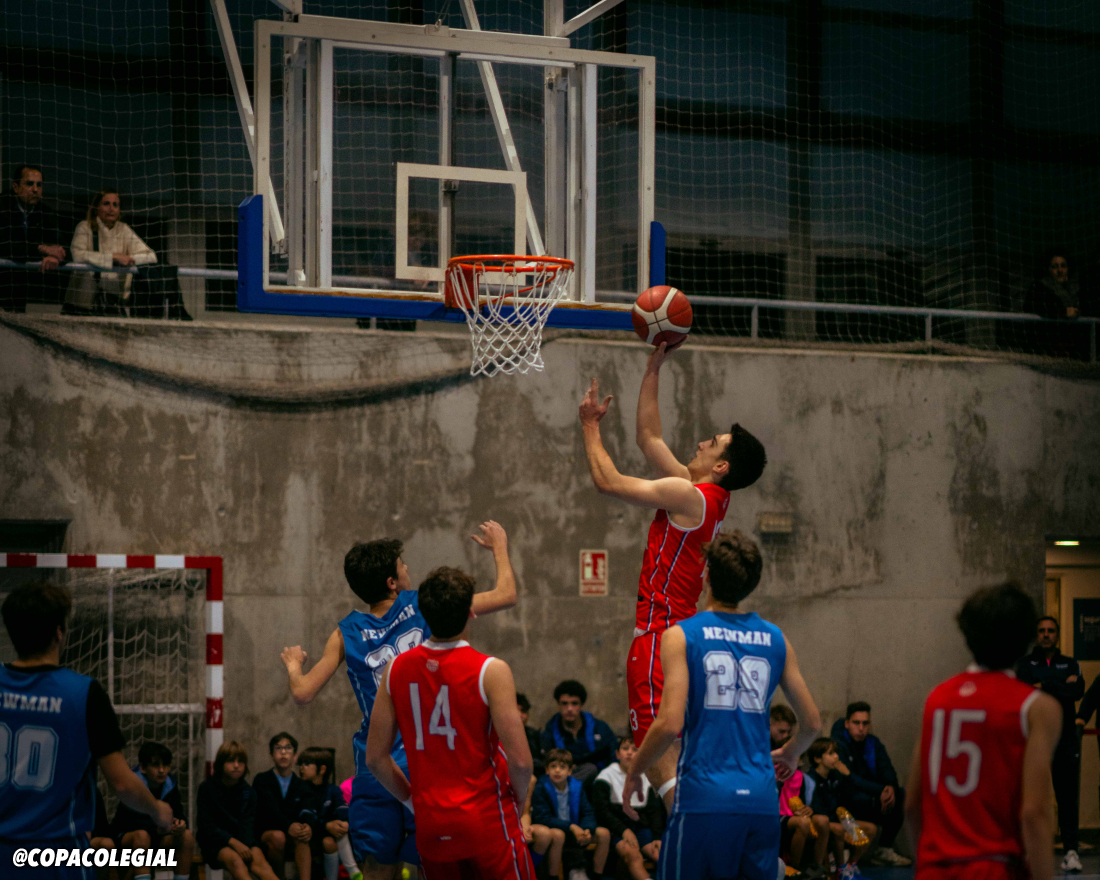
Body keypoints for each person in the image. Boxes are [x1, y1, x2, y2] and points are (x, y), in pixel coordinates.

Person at [579, 344, 767, 810]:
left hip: (658, 636)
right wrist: (652, 369)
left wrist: (589, 426)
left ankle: (690, 840)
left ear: (721, 466)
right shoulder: (707, 497)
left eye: (712, 443)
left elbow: (608, 481)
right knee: (680, 761)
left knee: (662, 767)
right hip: (682, 635)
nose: (702, 442)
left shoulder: (689, 497)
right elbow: (649, 438)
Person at [280, 522, 519, 880]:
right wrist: (499, 546)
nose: (408, 569)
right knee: (429, 861)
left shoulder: (346, 632)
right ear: (392, 582)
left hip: (376, 762)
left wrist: (293, 665)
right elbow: (505, 595)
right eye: (403, 565)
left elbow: (302, 693)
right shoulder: (423, 605)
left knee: (377, 865)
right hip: (426, 759)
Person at [623, 531, 821, 880]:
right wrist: (791, 753)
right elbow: (813, 724)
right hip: (760, 798)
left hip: (705, 797)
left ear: (706, 575)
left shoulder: (681, 635)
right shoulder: (776, 638)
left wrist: (636, 770)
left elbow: (669, 724)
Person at [364, 566, 536, 880]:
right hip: (487, 819)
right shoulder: (490, 670)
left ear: (423, 613)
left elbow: (375, 759)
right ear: (472, 611)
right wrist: (519, 803)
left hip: (431, 824)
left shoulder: (395, 669)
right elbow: (522, 762)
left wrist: (413, 801)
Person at [0, 580, 174, 877]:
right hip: (56, 855)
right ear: (59, 632)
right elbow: (122, 784)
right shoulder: (83, 693)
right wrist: (158, 810)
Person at [906, 583, 1063, 880]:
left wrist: (926, 863)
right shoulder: (1036, 707)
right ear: (1027, 637)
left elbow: (912, 804)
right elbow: (1034, 812)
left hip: (935, 867)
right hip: (995, 866)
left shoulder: (936, 700)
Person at [1014, 614, 1084, 872]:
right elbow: (1024, 691)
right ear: (1037, 635)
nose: (1046, 634)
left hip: (1064, 740)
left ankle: (1071, 851)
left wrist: (1043, 684)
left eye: (1051, 630)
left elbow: (1076, 691)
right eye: (1042, 630)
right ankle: (1024, 851)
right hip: (1033, 740)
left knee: (1067, 797)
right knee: (1030, 798)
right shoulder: (1024, 664)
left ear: (1057, 634)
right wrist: (1058, 684)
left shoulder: (1070, 663)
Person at [828, 702, 910, 867]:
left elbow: (887, 769)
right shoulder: (838, 745)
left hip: (873, 798)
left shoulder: (873, 743)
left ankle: (884, 850)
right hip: (848, 801)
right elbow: (849, 779)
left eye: (865, 723)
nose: (861, 728)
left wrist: (890, 788)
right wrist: (880, 790)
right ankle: (842, 855)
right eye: (856, 723)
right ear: (847, 724)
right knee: (850, 796)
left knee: (900, 795)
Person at [65, 189, 158, 317]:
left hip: (111, 303)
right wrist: (112, 258)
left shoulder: (123, 229)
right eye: (106, 203)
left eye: (115, 205)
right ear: (96, 208)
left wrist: (128, 259)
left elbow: (151, 256)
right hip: (81, 303)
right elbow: (77, 255)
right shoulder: (84, 227)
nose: (111, 209)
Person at [196, 740, 280, 880]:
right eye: (231, 761)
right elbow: (207, 826)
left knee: (261, 863)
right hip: (215, 843)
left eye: (240, 761)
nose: (236, 765)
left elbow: (248, 825)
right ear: (221, 763)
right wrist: (233, 842)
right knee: (236, 862)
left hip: (243, 842)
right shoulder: (207, 788)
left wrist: (245, 845)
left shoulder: (248, 792)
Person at [111, 741, 194, 880]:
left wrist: (180, 825)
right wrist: (161, 827)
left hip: (156, 838)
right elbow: (132, 823)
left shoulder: (170, 785)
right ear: (143, 768)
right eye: (156, 765)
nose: (162, 770)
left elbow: (178, 814)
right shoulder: (132, 785)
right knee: (142, 836)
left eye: (165, 765)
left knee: (187, 836)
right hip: (127, 839)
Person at [592, 736, 665, 880]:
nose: (630, 753)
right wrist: (623, 830)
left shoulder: (646, 776)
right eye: (625, 749)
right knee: (634, 856)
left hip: (641, 828)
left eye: (635, 749)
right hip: (617, 829)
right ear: (617, 754)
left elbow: (654, 811)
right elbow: (602, 811)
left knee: (661, 854)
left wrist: (657, 836)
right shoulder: (606, 776)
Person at [0, 164, 68, 311]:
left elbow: (64, 247)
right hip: (3, 286)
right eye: (29, 184)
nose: (35, 189)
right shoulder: (2, 208)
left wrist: (56, 257)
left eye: (39, 185)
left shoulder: (46, 212)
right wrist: (42, 249)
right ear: (15, 187)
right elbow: (5, 247)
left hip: (32, 293)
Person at [531, 749, 607, 880]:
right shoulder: (541, 787)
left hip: (575, 831)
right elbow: (543, 818)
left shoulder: (577, 786)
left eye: (562, 767)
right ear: (547, 770)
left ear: (570, 771)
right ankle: (553, 877)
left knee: (604, 834)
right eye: (553, 766)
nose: (557, 770)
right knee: (558, 835)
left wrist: (587, 829)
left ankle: (596, 876)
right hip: (556, 829)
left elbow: (588, 812)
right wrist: (571, 826)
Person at [806, 738, 876, 878]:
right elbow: (815, 807)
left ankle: (851, 866)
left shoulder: (835, 776)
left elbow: (850, 795)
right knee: (839, 829)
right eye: (831, 753)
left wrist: (847, 775)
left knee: (870, 829)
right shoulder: (810, 778)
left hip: (836, 818)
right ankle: (841, 869)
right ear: (817, 759)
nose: (836, 756)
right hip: (821, 821)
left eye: (836, 752)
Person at [252, 732, 313, 880]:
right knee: (278, 837)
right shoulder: (262, 780)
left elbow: (307, 809)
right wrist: (288, 826)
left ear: (295, 756)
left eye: (288, 748)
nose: (283, 752)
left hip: (292, 834)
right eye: (278, 748)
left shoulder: (301, 784)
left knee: (302, 835)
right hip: (266, 833)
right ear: (271, 755)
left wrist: (308, 826)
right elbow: (269, 811)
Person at [297, 747, 361, 880]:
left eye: (307, 764)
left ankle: (350, 871)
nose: (302, 768)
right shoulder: (302, 789)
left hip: (330, 833)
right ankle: (352, 869)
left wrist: (344, 822)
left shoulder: (332, 790)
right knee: (331, 838)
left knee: (334, 837)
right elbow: (307, 817)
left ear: (322, 769)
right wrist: (327, 825)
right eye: (301, 764)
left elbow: (341, 809)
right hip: (311, 833)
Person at [540, 679, 617, 781]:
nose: (569, 709)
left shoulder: (600, 728)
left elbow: (614, 756)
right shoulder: (549, 732)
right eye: (564, 703)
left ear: (581, 705)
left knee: (591, 769)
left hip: (599, 780)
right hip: (564, 779)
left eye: (574, 703)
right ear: (558, 705)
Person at [516, 692, 546, 777]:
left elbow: (544, 762)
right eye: (515, 710)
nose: (519, 715)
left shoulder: (534, 736)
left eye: (523, 711)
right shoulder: (497, 737)